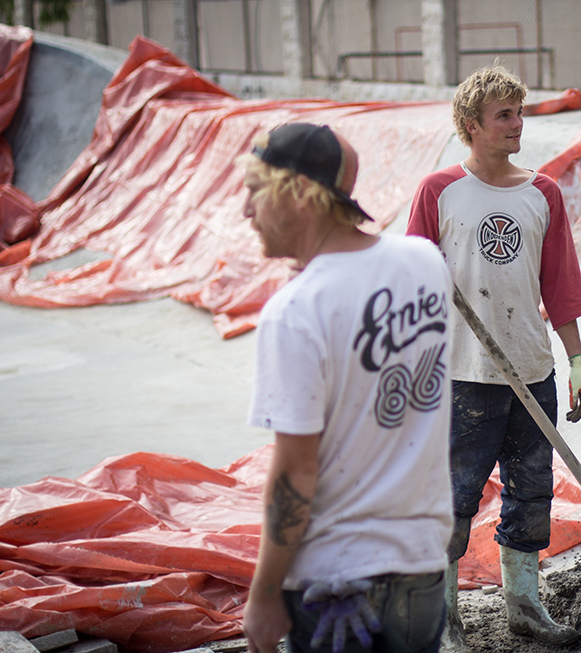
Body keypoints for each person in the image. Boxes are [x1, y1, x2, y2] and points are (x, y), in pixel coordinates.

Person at [240, 122, 454, 653]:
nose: (246, 210)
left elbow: (296, 471)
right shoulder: (425, 264)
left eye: (255, 190)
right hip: (422, 570)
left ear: (301, 195)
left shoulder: (295, 313)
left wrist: (264, 594)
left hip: (333, 589)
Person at [406, 66, 581, 649]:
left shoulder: (542, 193)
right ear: (471, 126)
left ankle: (525, 607)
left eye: (520, 112)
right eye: (504, 116)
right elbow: (412, 287)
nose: (518, 124)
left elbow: (560, 283)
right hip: (464, 377)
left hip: (532, 373)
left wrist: (578, 360)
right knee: (454, 499)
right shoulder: (440, 192)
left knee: (532, 492)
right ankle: (444, 624)